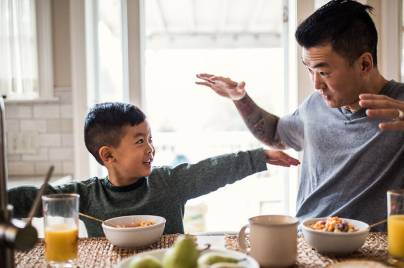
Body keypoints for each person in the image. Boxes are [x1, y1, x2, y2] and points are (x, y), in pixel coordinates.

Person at [196, 0, 404, 230]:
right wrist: (240, 100)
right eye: (309, 69)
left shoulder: (400, 107)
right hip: (306, 240)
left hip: (372, 251)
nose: (316, 84)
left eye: (324, 72)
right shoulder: (315, 105)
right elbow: (276, 134)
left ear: (364, 64)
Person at [8, 102, 299, 237]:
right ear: (108, 155)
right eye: (139, 141)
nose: (150, 148)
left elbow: (211, 169)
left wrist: (258, 157)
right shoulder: (86, 197)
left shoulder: (168, 182)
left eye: (150, 139)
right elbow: (37, 197)